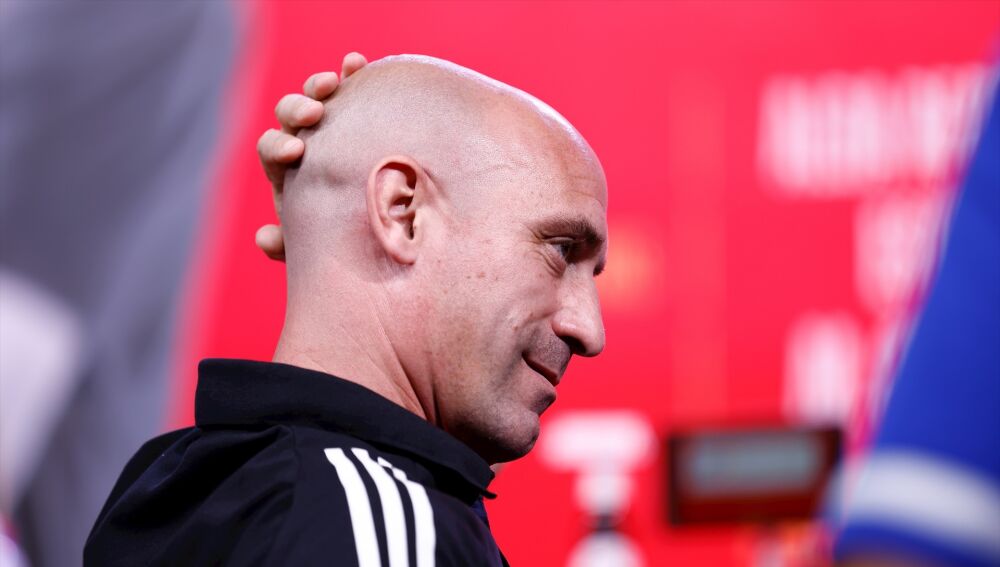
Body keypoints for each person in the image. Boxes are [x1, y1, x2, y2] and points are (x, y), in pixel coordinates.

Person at [85, 53, 608, 566]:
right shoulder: (369, 522)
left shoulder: (178, 485)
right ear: (402, 212)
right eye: (562, 250)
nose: (591, 330)